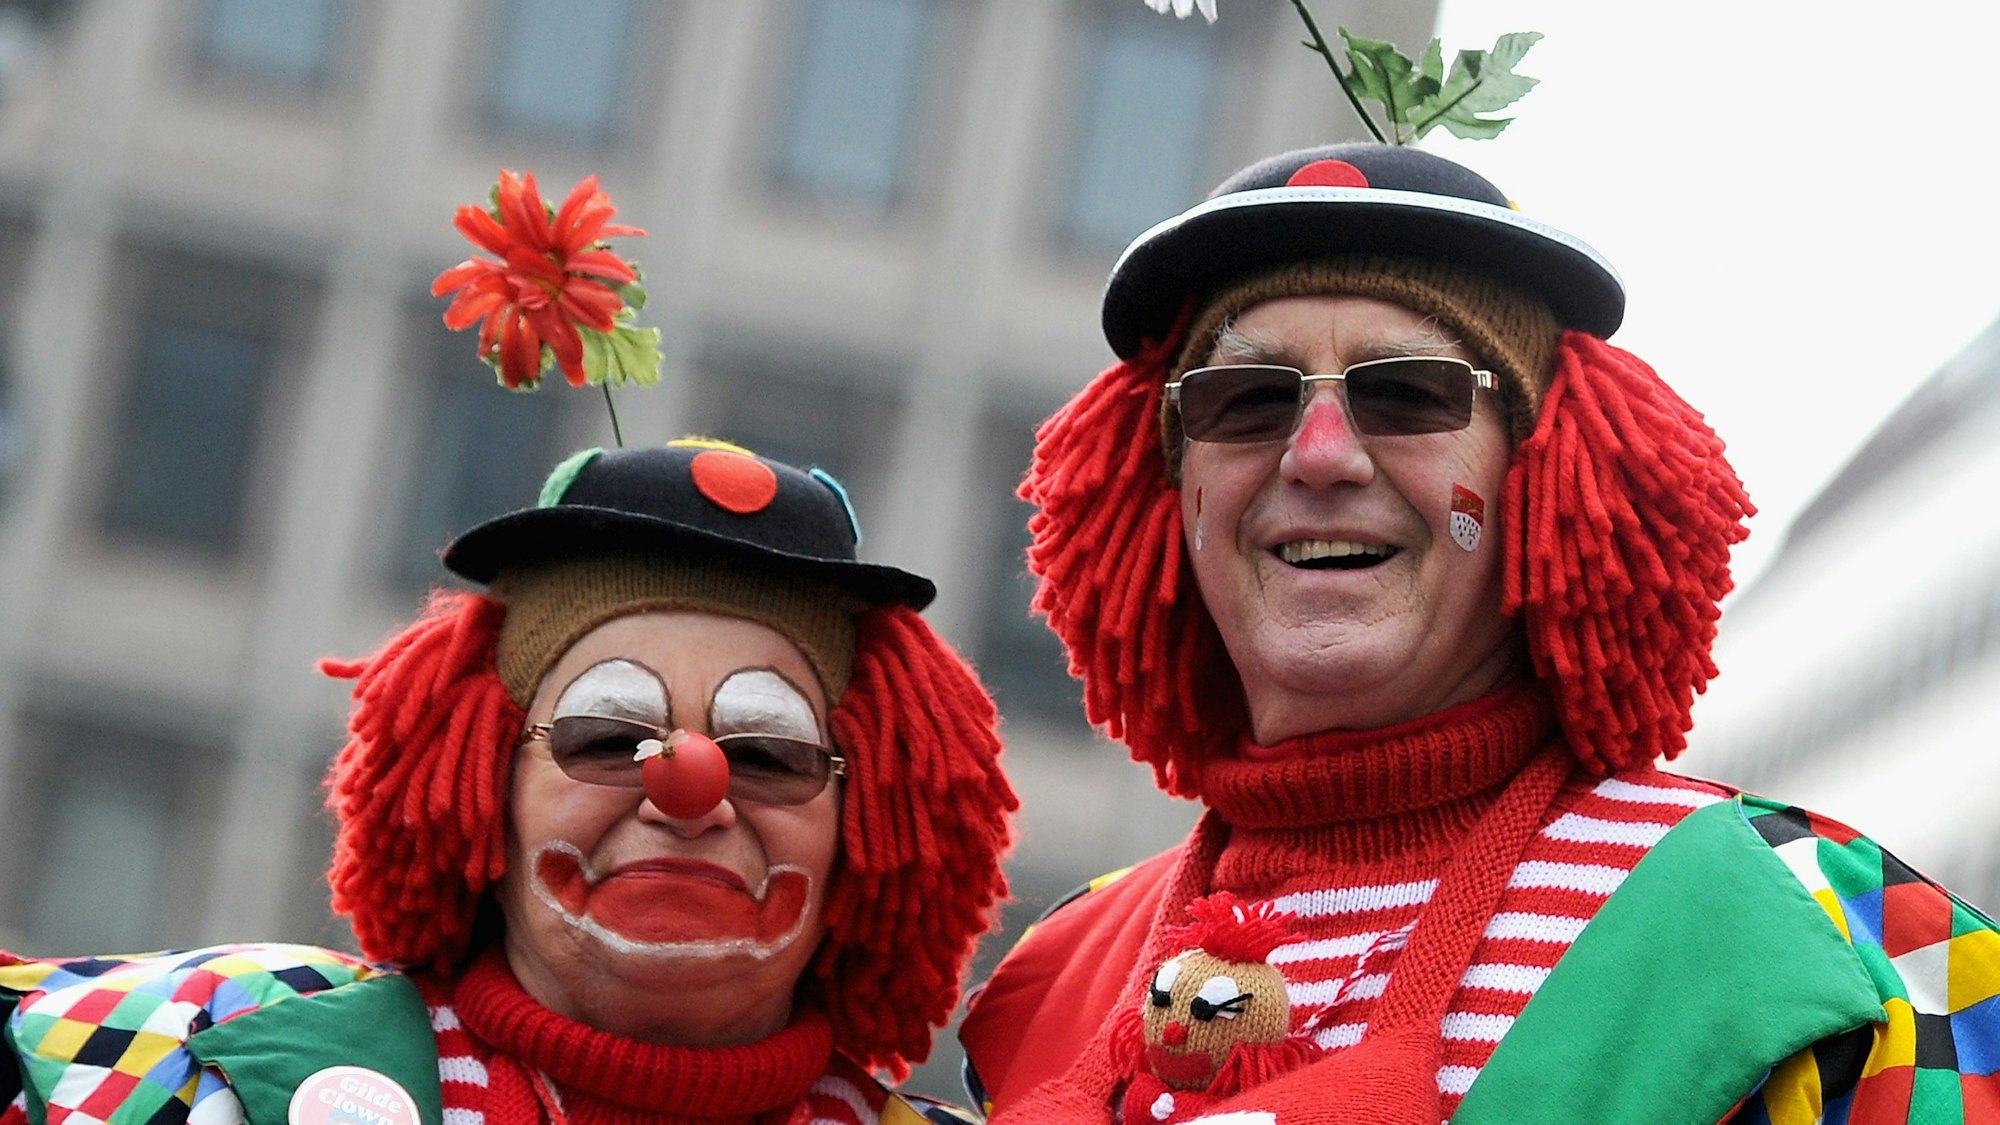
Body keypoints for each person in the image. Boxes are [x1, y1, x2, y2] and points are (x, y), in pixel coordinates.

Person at [957, 142, 2000, 1123]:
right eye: (1246, 401)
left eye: (1407, 393)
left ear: (1542, 472)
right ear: (1169, 489)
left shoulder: (1823, 933)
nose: (1318, 454)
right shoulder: (1053, 976)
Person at [3, 438, 1017, 1125]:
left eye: (765, 754)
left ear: (874, 822)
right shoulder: (201, 1043)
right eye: (606, 736)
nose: (688, 789)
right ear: (479, 779)